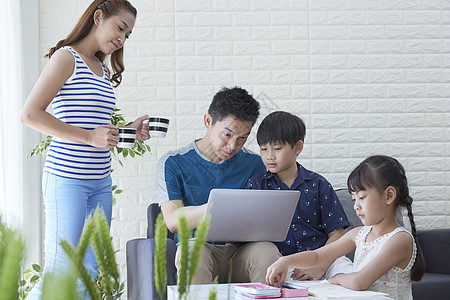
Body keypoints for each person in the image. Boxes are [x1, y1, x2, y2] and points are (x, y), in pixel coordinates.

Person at [21, 1, 149, 298]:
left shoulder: (102, 70)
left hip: (100, 182)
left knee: (90, 268)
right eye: (120, 28)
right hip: (67, 180)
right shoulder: (67, 58)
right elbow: (29, 114)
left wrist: (131, 131)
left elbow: (96, 128)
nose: (122, 39)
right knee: (61, 266)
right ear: (98, 16)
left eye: (128, 35)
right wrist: (90, 137)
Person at [157, 86, 280, 284]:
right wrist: (222, 207)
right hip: (200, 248)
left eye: (242, 138)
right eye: (227, 134)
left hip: (242, 251)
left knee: (267, 251)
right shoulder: (174, 163)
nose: (233, 146)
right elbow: (173, 220)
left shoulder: (256, 163)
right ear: (208, 121)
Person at [266, 155, 425, 300]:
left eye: (362, 197)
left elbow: (359, 281)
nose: (356, 206)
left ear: (389, 195)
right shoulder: (359, 234)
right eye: (353, 199)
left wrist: (335, 278)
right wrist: (285, 261)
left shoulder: (400, 239)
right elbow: (318, 256)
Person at [246, 111, 351, 281]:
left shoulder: (318, 184)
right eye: (264, 149)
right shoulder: (257, 185)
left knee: (348, 275)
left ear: (298, 147)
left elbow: (336, 233)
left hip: (325, 258)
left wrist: (320, 266)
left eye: (277, 148)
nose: (269, 156)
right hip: (280, 261)